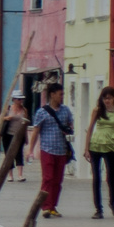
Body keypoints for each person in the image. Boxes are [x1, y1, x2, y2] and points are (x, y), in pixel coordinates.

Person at [26, 83, 73, 218]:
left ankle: (53, 206)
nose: (62, 97)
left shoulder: (66, 111)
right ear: (52, 94)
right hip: (47, 149)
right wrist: (30, 148)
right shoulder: (42, 112)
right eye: (60, 94)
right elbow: (36, 131)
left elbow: (70, 125)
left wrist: (68, 129)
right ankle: (45, 206)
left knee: (58, 180)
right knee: (48, 178)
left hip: (61, 150)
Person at [85, 86, 114, 219]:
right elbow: (90, 129)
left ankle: (113, 205)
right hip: (96, 144)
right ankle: (98, 209)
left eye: (109, 98)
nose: (106, 101)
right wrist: (86, 148)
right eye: (104, 98)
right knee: (96, 177)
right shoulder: (97, 110)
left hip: (111, 146)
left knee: (111, 178)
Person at [1, 93, 29, 182]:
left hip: (19, 135)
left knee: (19, 153)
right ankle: (10, 175)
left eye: (22, 99)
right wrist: (6, 118)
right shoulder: (8, 108)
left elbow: (25, 124)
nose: (20, 101)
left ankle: (20, 175)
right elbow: (0, 118)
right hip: (8, 134)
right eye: (18, 99)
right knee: (9, 154)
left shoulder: (24, 110)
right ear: (14, 99)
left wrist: (26, 137)